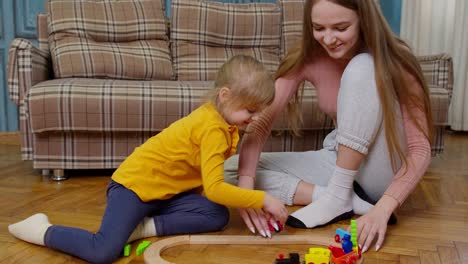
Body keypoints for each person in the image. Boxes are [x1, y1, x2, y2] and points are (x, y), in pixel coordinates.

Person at [8, 55, 288, 263]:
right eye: (250, 111)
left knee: (216, 214)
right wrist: (263, 199)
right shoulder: (213, 129)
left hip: (164, 193)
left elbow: (199, 180)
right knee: (104, 251)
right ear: (225, 96)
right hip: (133, 188)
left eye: (258, 112)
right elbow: (215, 187)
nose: (254, 119)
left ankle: (143, 227)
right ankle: (42, 229)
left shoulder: (222, 120)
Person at [224, 0, 432, 254]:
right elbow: (261, 123)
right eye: (318, 28)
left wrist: (383, 209)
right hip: (339, 157)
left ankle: (339, 195)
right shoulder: (309, 57)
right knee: (232, 170)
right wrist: (247, 191)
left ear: (364, 20)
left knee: (362, 66)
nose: (328, 39)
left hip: (381, 168)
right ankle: (338, 198)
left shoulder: (396, 59)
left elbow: (420, 149)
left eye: (341, 27)